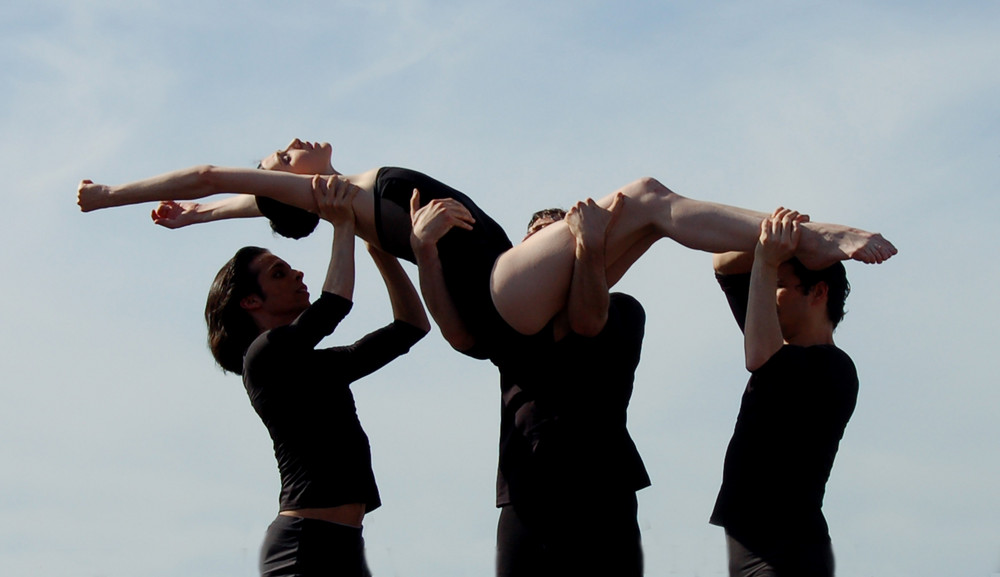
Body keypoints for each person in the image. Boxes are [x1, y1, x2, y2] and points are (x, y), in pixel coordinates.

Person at [77, 138, 897, 350]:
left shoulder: (349, 197)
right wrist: (118, 195)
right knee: (643, 196)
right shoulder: (338, 195)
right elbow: (213, 172)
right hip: (498, 288)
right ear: (281, 183)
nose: (292, 144)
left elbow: (249, 203)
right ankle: (808, 234)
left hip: (510, 290)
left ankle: (791, 235)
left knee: (649, 207)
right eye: (279, 159)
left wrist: (197, 221)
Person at [409, 198, 649, 576]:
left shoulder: (624, 309)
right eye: (533, 239)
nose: (542, 246)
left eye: (554, 236)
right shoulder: (510, 325)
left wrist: (589, 248)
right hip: (526, 491)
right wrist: (424, 250)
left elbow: (587, 320)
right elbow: (456, 331)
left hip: (602, 490)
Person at [207, 175, 430, 576]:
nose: (297, 276)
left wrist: (379, 250)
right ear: (251, 301)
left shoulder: (314, 368)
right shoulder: (262, 357)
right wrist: (343, 223)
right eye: (279, 273)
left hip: (342, 545)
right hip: (303, 547)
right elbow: (334, 305)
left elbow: (411, 327)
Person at [710, 208, 859, 577]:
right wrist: (787, 236)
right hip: (753, 547)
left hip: (789, 552)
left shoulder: (834, 369)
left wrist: (765, 258)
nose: (766, 291)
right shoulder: (778, 344)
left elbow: (759, 357)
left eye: (778, 283)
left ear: (818, 292)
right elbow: (723, 263)